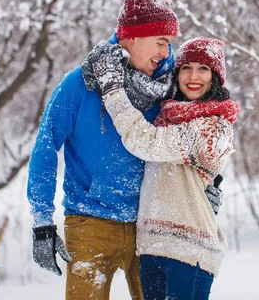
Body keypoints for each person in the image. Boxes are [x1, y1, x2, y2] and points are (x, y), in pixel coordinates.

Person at [28, 0, 186, 300]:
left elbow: (191, 142)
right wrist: (42, 219)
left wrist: (209, 186)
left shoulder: (170, 87)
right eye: (160, 42)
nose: (165, 53)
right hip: (91, 223)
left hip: (151, 223)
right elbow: (45, 146)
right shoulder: (80, 84)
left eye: (169, 44)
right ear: (131, 37)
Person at [91, 37, 240, 300]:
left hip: (189, 250)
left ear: (215, 77)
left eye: (203, 69)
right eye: (186, 67)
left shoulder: (214, 127)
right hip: (152, 248)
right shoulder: (167, 117)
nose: (194, 76)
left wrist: (113, 88)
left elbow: (144, 141)